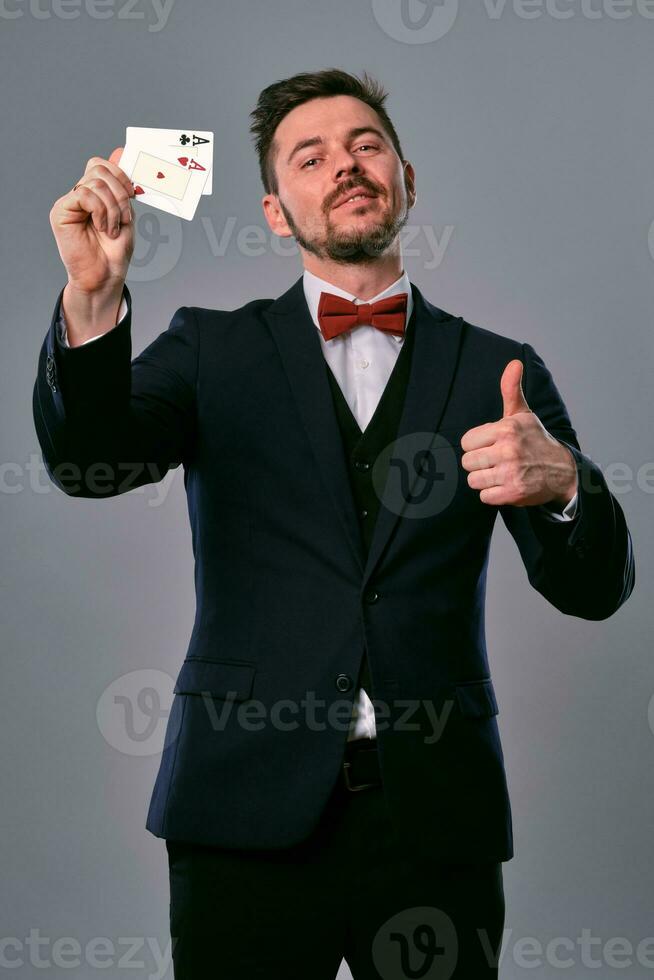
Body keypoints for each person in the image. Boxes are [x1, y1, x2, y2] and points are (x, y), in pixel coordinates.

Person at [34, 68, 635, 979]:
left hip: (437, 820)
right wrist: (92, 302)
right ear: (277, 211)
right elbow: (88, 466)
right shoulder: (209, 348)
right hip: (242, 811)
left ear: (406, 177)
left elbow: (594, 592)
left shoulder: (501, 371)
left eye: (366, 145)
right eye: (309, 158)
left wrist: (567, 488)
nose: (345, 167)